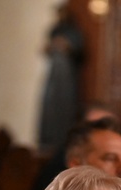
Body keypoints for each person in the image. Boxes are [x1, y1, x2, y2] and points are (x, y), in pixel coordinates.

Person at [38, 0, 84, 154]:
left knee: (64, 111)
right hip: (54, 77)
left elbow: (78, 49)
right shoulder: (55, 30)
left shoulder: (72, 31)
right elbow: (44, 48)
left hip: (66, 78)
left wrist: (65, 45)